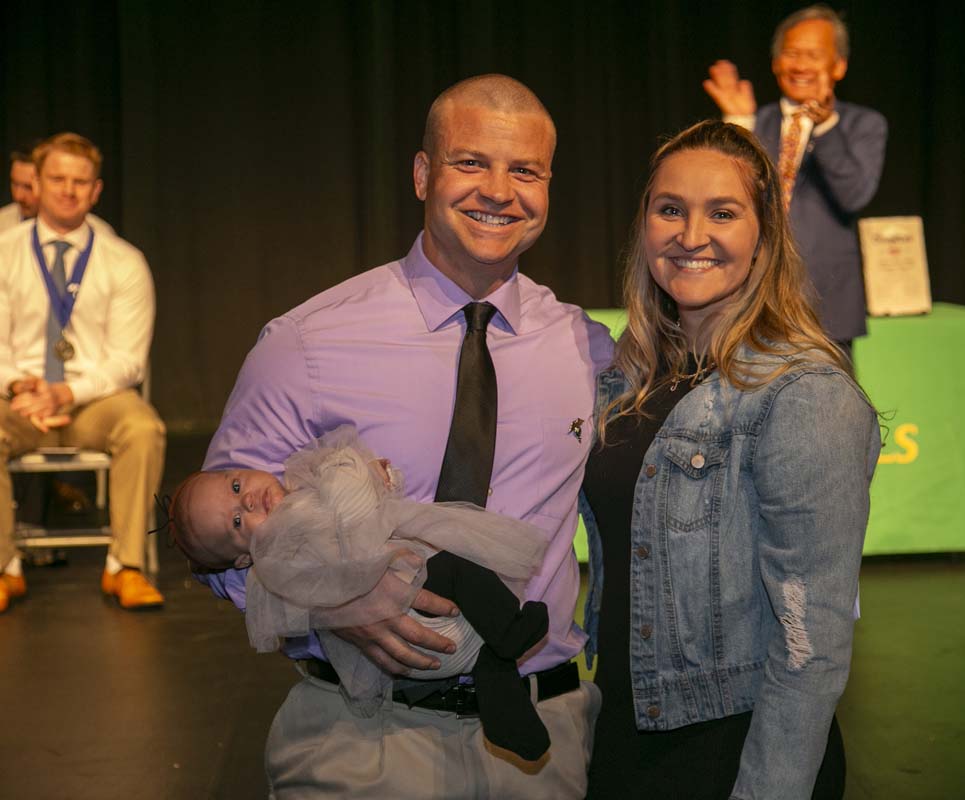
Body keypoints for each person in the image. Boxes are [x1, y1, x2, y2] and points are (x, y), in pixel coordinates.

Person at [199, 74, 614, 798]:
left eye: (526, 170)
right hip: (360, 736)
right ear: (423, 174)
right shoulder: (306, 343)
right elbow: (216, 537)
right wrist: (324, 602)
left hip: (541, 744)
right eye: (471, 162)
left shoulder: (584, 346)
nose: (499, 190)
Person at [580, 120, 881, 799]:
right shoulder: (628, 380)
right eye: (669, 210)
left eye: (722, 212)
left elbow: (811, 646)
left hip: (732, 754)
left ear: (764, 238)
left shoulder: (804, 394)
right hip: (625, 734)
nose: (691, 235)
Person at [172, 424, 553, 759]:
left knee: (477, 633)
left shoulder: (299, 494)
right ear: (242, 560)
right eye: (238, 521)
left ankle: (504, 705)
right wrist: (357, 475)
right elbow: (350, 511)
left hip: (419, 613)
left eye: (237, 486)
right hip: (407, 619)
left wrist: (376, 479)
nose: (248, 500)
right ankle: (510, 629)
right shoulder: (280, 553)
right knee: (458, 567)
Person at [0, 132, 165, 613]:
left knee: (144, 426)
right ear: (37, 182)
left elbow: (128, 360)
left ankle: (125, 568)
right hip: (19, 400)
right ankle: (6, 568)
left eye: (80, 181)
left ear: (96, 190)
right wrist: (18, 384)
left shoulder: (124, 260)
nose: (68, 190)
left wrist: (65, 392)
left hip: (93, 401)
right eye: (57, 179)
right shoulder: (5, 252)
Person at [703, 3, 887, 356]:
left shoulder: (862, 125)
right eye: (791, 53)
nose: (800, 65)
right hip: (754, 299)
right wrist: (738, 124)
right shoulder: (758, 121)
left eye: (813, 55)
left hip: (826, 305)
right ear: (775, 63)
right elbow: (732, 196)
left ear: (838, 66)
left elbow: (855, 195)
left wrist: (826, 127)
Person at [1, 148, 115, 235]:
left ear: (39, 184)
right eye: (14, 184)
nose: (18, 196)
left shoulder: (100, 234)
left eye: (28, 187)